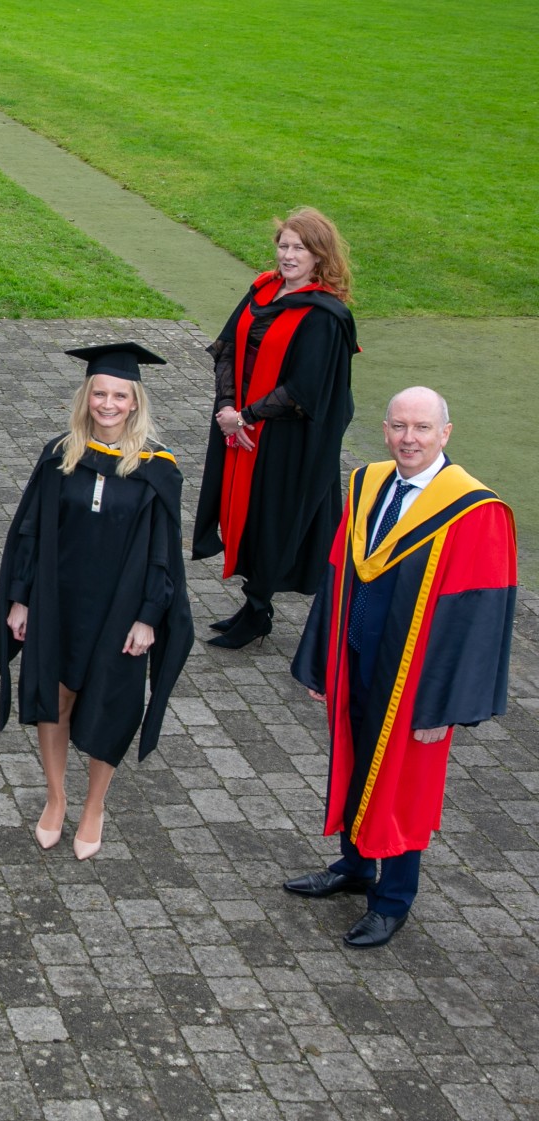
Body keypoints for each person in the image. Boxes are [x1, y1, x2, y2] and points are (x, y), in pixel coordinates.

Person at [284, 387, 516, 948]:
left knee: (406, 785)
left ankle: (393, 900)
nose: (409, 439)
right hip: (360, 656)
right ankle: (357, 868)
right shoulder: (368, 483)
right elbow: (339, 569)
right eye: (399, 427)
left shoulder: (474, 510)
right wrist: (324, 660)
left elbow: (477, 618)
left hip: (418, 681)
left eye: (421, 428)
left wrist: (446, 705)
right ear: (386, 429)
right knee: (356, 762)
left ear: (445, 433)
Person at [0, 344, 194, 860]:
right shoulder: (61, 454)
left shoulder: (157, 468)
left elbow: (164, 554)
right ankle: (56, 799)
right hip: (59, 601)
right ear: (86, 397)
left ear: (134, 401)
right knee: (53, 699)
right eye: (99, 393)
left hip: (121, 609)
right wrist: (21, 599)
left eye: (118, 395)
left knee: (111, 705)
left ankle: (95, 805)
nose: (107, 403)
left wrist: (150, 616)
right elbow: (31, 532)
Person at [193, 207, 357, 648]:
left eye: (298, 248)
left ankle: (259, 609)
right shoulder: (263, 290)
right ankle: (252, 604)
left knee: (271, 520)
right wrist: (229, 408)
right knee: (241, 514)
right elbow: (226, 348)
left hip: (285, 439)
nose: (288, 255)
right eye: (283, 245)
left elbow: (305, 390)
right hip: (241, 429)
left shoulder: (323, 316)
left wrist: (245, 417)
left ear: (319, 256)